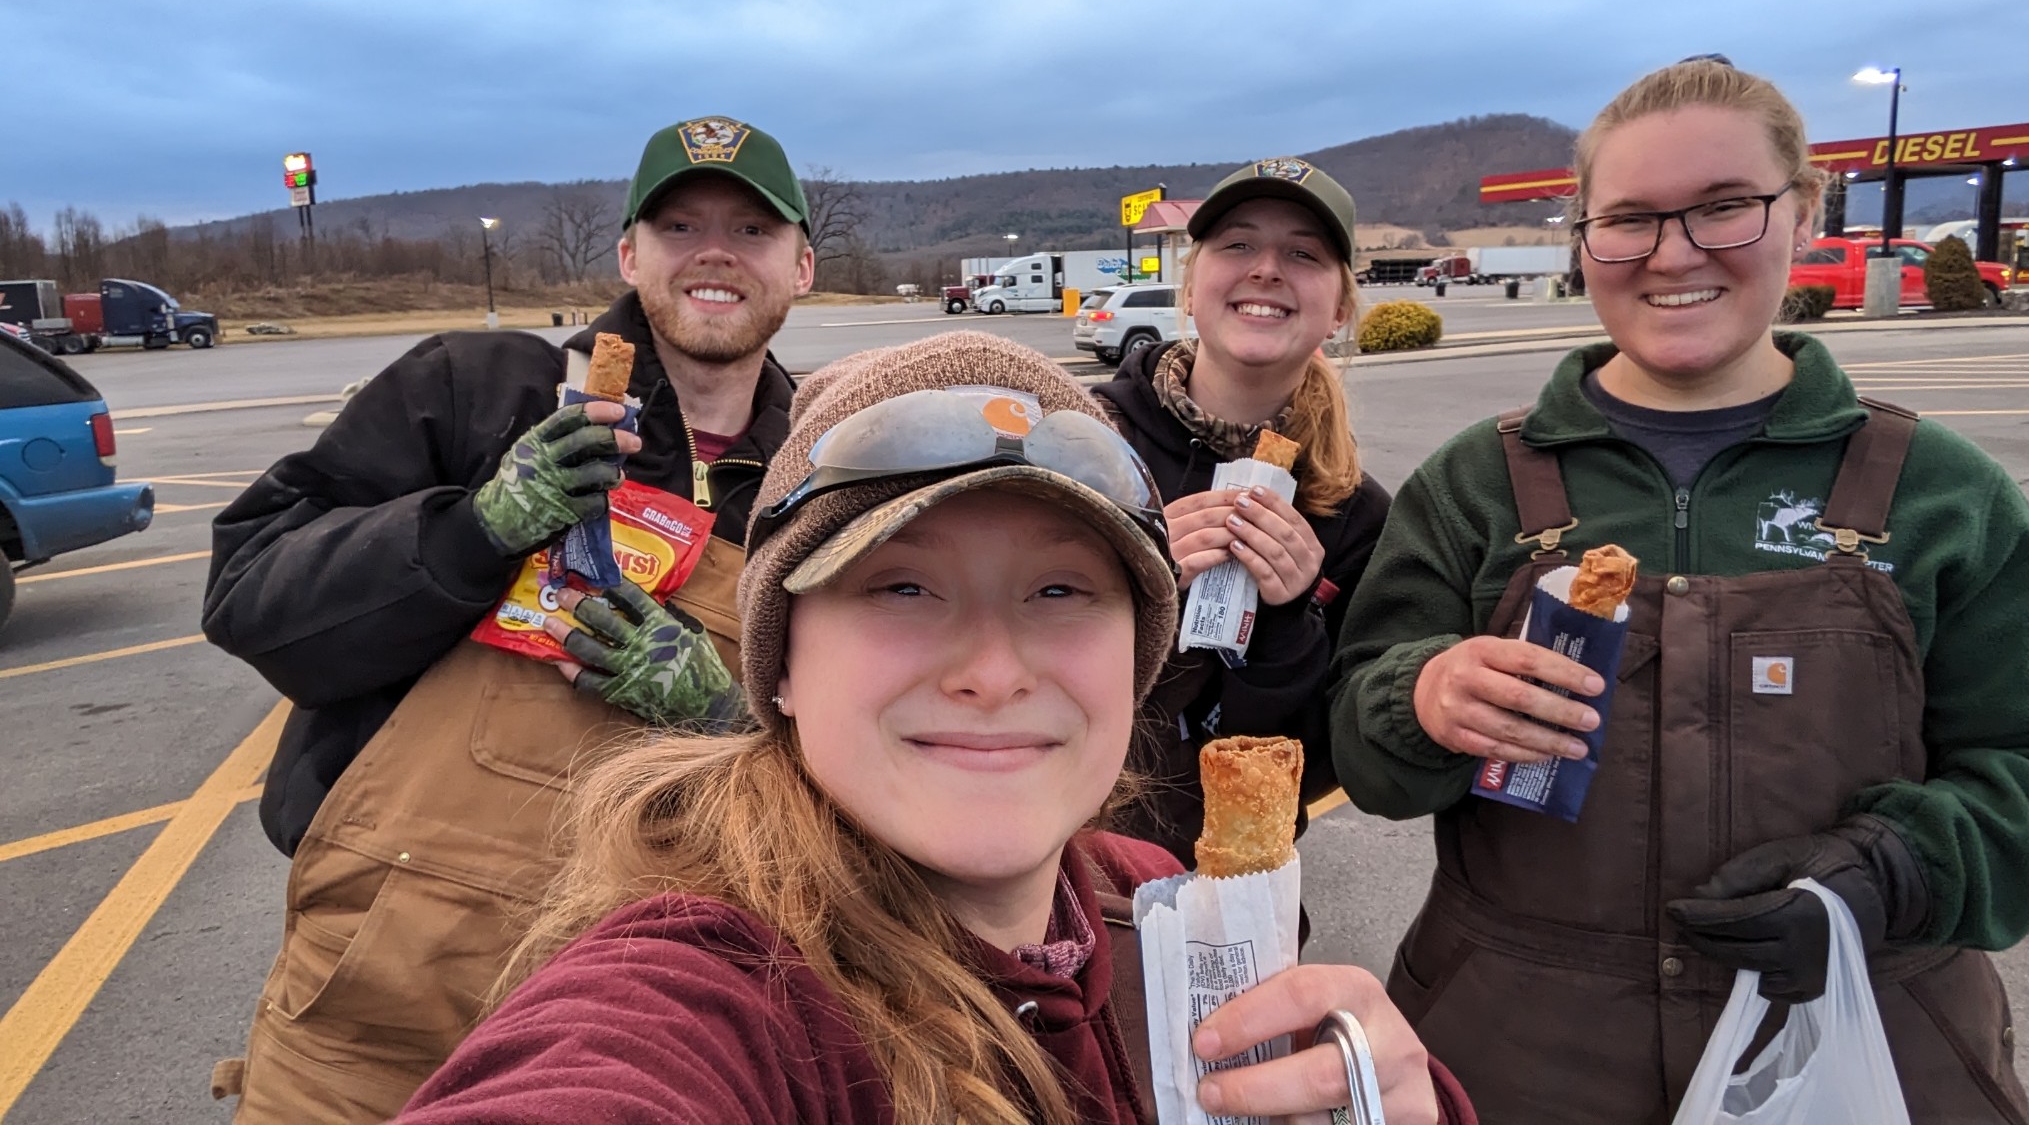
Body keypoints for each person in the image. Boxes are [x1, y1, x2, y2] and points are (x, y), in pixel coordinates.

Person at [391, 331, 1474, 1125]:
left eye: (1059, 593)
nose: (993, 674)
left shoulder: (1150, 901)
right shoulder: (707, 989)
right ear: (781, 665)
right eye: (902, 590)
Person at [1329, 57, 2029, 1122]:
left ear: (1800, 212)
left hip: (1862, 1054)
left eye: (1720, 209)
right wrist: (1420, 701)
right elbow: (1359, 748)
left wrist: (1892, 872)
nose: (1670, 255)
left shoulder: (1946, 496)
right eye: (1627, 220)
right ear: (1583, 238)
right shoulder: (1473, 487)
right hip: (1513, 1058)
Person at [199, 116, 815, 1122]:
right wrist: (471, 530)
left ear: (800, 264)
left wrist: (733, 726)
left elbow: (876, 757)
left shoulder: (819, 477)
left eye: (750, 231)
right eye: (678, 226)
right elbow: (250, 598)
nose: (714, 252)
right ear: (628, 253)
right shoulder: (481, 391)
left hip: (663, 1030)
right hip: (373, 1023)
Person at [1093, 157, 1390, 867]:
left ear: (1340, 307)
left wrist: (1287, 623)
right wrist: (1145, 587)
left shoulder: (1354, 514)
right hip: (1051, 860)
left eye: (1303, 254)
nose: (1266, 269)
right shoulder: (1086, 442)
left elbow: (1320, 761)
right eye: (1237, 245)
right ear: (1191, 289)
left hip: (1226, 878)